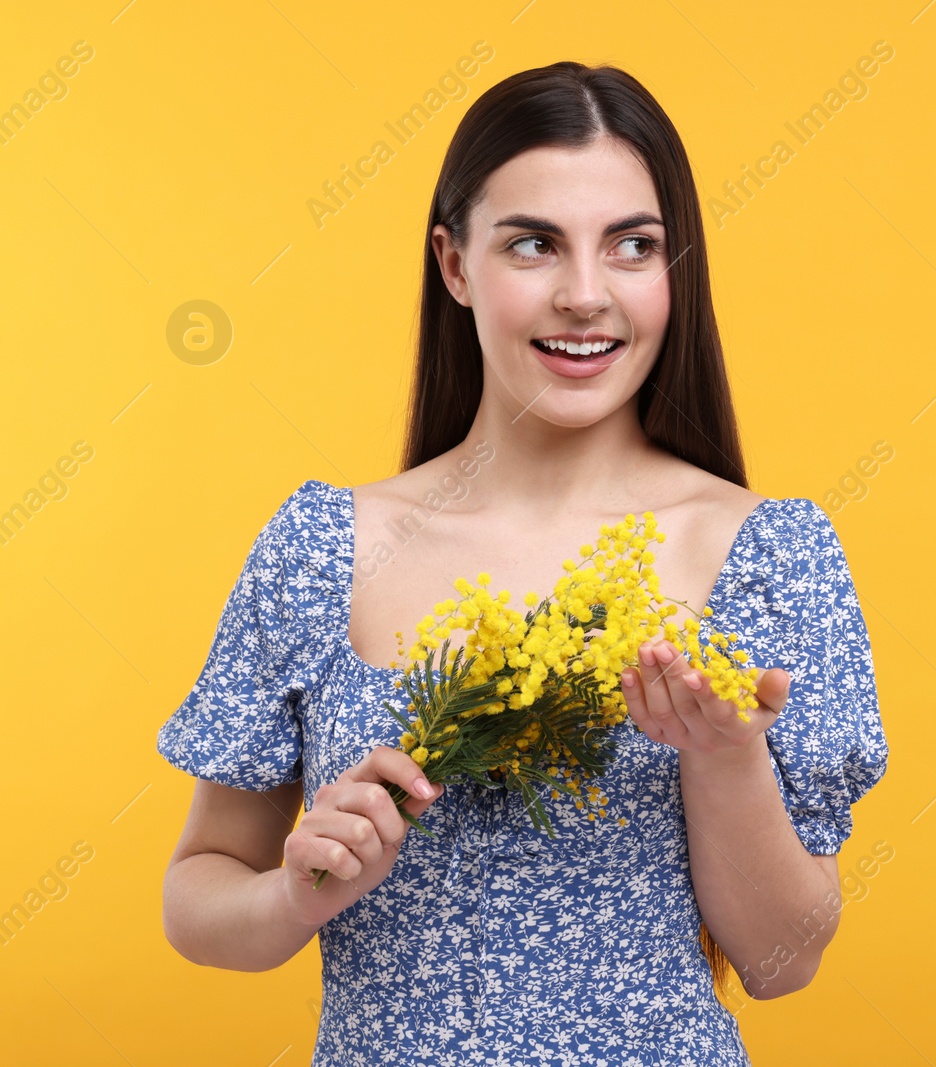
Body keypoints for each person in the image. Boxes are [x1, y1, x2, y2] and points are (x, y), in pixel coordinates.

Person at [155, 61, 890, 1065]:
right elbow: (199, 893)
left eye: (631, 246)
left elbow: (782, 959)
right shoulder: (322, 547)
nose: (585, 295)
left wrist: (724, 754)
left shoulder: (770, 554)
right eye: (534, 244)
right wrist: (295, 889)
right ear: (453, 265)